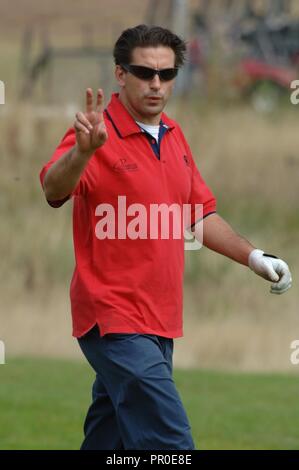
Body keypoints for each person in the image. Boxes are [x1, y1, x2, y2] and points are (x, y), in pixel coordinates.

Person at [39, 24, 292, 450]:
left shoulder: (174, 136)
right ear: (120, 74)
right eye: (144, 72)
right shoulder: (96, 132)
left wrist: (253, 257)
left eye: (167, 74)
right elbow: (52, 188)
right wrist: (82, 153)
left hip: (159, 322)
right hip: (113, 320)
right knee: (172, 447)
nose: (156, 83)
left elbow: (198, 215)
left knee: (110, 443)